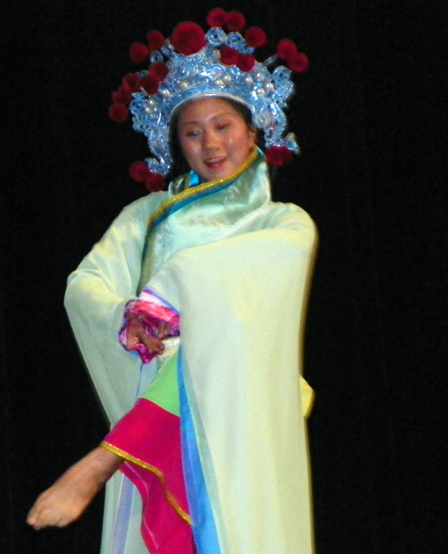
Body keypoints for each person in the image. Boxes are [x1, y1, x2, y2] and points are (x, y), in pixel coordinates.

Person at [27, 9, 317, 554]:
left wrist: (164, 301)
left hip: (240, 413)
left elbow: (241, 302)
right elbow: (85, 284)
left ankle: (100, 461)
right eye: (192, 132)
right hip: (159, 406)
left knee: (216, 344)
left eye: (223, 126)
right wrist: (127, 316)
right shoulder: (146, 217)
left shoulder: (286, 223)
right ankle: (117, 453)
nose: (210, 145)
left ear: (252, 129)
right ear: (177, 143)